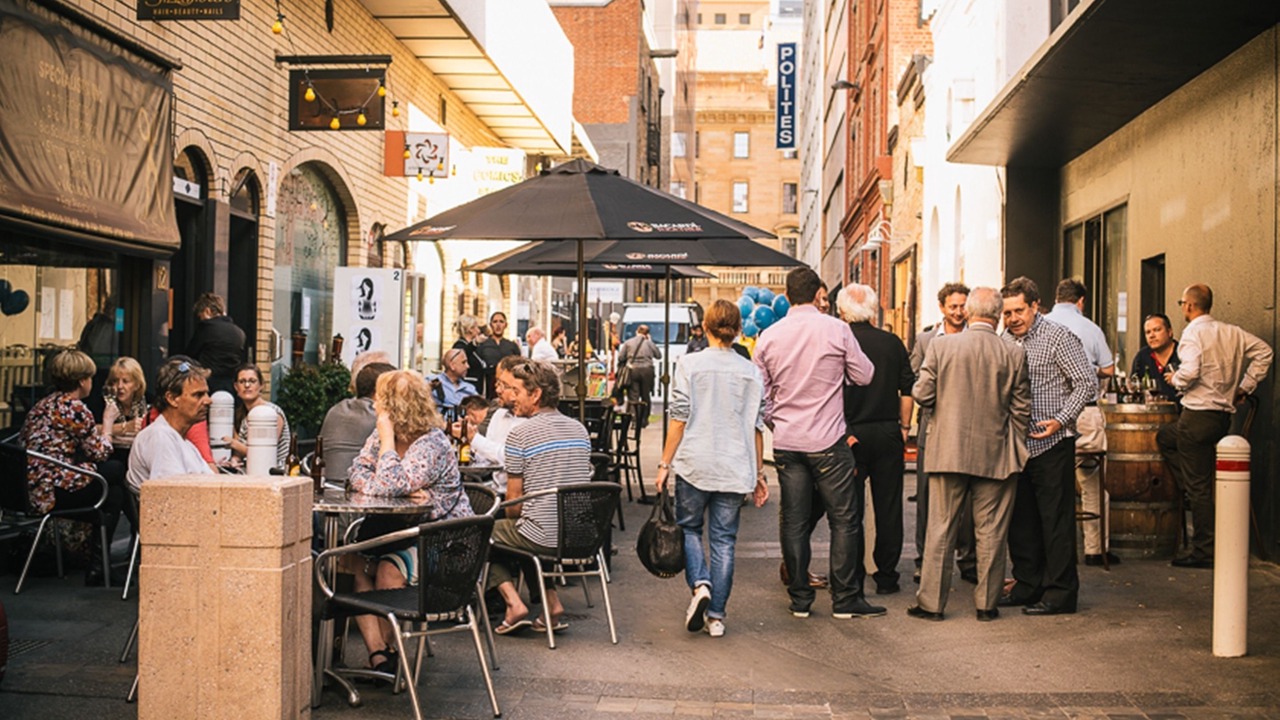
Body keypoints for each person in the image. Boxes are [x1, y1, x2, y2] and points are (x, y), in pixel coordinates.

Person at [753, 266, 879, 620]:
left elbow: (759, 393)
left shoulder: (769, 336)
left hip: (788, 442)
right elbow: (864, 374)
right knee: (844, 519)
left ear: (788, 294)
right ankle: (845, 599)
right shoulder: (836, 329)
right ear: (816, 295)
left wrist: (776, 419)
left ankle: (800, 599)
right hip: (828, 439)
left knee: (793, 521)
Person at [909, 288, 1031, 621]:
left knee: (940, 529)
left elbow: (921, 393)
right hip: (996, 453)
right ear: (997, 315)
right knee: (991, 532)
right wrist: (1015, 446)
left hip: (947, 450)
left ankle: (932, 604)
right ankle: (986, 605)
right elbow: (1021, 409)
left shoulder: (942, 345)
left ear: (971, 312)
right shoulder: (1013, 353)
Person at [347, 369, 474, 674]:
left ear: (394, 406)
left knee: (389, 568)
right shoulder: (379, 435)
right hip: (400, 530)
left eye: (380, 399)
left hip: (444, 541)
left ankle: (392, 652)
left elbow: (388, 484)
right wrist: (387, 480)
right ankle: (380, 654)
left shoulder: (432, 444)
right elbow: (356, 473)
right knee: (354, 562)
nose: (375, 405)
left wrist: (388, 443)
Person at [655, 300, 769, 638]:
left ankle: (700, 584)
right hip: (735, 467)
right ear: (737, 330)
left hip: (695, 462)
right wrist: (759, 473)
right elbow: (756, 426)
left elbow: (678, 418)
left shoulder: (689, 364)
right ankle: (716, 616)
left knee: (689, 528)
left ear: (705, 327)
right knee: (724, 540)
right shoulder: (751, 372)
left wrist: (664, 464)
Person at [999, 277, 1095, 616]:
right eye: (1007, 312)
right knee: (1021, 522)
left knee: (1055, 522)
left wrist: (1061, 419)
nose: (1013, 318)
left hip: (1052, 443)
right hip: (1016, 445)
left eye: (1019, 310)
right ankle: (1028, 585)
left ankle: (1061, 593)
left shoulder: (1058, 337)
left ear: (1035, 306)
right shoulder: (1003, 341)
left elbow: (1086, 383)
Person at [1157, 284, 1272, 569]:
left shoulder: (1193, 334)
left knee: (1198, 487)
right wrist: (1244, 386)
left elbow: (1191, 371)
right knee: (1166, 437)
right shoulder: (1231, 331)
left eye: (1182, 303)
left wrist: (1177, 380)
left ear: (1189, 306)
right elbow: (1264, 352)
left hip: (1196, 417)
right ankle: (1194, 493)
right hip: (1222, 420)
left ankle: (1204, 549)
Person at [486, 359, 593, 635]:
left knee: (485, 532)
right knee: (526, 529)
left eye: (517, 392)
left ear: (535, 395)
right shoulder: (579, 429)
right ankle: (550, 602)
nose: (513, 399)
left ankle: (512, 602)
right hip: (579, 535)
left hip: (542, 535)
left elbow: (514, 504)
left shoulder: (519, 434)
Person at [20, 350, 126, 586]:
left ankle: (100, 566)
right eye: (90, 378)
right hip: (51, 492)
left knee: (114, 490)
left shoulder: (42, 405)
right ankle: (100, 565)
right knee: (116, 472)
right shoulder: (75, 409)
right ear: (82, 381)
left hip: (28, 489)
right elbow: (100, 452)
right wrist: (108, 423)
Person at [838, 284, 914, 595]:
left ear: (843, 311)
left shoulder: (840, 342)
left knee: (850, 509)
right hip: (887, 431)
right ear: (872, 309)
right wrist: (905, 427)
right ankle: (887, 576)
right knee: (889, 507)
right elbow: (907, 388)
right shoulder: (892, 343)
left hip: (850, 433)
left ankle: (854, 576)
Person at [1044, 278, 1118, 567]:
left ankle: (1052, 551)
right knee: (1093, 483)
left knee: (1050, 483)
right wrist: (1088, 369)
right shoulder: (1090, 328)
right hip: (1084, 414)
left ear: (1055, 298)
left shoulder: (1042, 324)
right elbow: (1109, 369)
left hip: (1048, 416)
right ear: (1081, 302)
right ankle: (1095, 550)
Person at [908, 282, 976, 584]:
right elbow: (912, 382)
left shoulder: (977, 339)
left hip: (968, 431)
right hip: (932, 430)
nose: (959, 312)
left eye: (963, 306)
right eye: (954, 306)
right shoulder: (925, 341)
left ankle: (968, 560)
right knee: (926, 499)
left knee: (969, 504)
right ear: (942, 308)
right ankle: (925, 561)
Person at [126, 357, 215, 494]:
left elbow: (212, 483)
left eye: (206, 393)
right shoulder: (160, 437)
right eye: (198, 395)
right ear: (172, 399)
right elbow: (172, 498)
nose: (208, 400)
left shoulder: (184, 442)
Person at [454, 356, 528, 495]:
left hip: (516, 497)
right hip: (493, 490)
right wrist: (470, 455)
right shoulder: (499, 415)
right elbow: (488, 462)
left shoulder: (530, 421)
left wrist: (474, 438)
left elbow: (509, 458)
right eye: (497, 383)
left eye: (503, 385)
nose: (498, 390)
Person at [319, 361, 395, 484]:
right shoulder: (379, 417)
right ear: (380, 392)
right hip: (355, 490)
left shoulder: (337, 409)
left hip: (327, 484)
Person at [225, 364, 291, 468]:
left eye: (252, 381)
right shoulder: (246, 417)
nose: (247, 385)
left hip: (275, 474)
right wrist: (234, 461)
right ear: (236, 387)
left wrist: (234, 443)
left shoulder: (272, 413)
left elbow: (264, 454)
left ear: (261, 385)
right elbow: (240, 453)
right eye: (242, 381)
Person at [185, 292, 247, 396]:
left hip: (209, 383)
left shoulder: (206, 328)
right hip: (232, 385)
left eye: (201, 316)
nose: (201, 319)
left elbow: (191, 354)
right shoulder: (239, 332)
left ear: (207, 311)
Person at [102, 357, 150, 461]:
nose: (119, 386)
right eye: (115, 381)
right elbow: (93, 429)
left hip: (140, 457)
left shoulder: (149, 403)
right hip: (112, 457)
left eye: (126, 381)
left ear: (137, 385)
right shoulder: (105, 402)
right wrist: (124, 427)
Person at [616, 324, 662, 428]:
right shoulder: (649, 343)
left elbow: (620, 357)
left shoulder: (628, 343)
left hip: (633, 370)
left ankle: (634, 420)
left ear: (637, 331)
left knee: (633, 396)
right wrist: (650, 341)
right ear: (647, 334)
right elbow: (658, 356)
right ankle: (644, 420)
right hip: (647, 370)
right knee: (646, 396)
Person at [1131, 313, 1180, 402]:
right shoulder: (1142, 357)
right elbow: (1134, 385)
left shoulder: (1183, 353)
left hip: (1181, 411)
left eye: (1157, 330)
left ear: (1169, 332)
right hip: (1150, 412)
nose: (1152, 336)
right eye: (1148, 332)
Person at [476, 311, 521, 399]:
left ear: (505, 325)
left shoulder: (511, 346)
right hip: (489, 385)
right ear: (490, 324)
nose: (498, 325)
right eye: (495, 322)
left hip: (509, 385)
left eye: (501, 322)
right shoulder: (483, 345)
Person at [452, 313, 487, 395]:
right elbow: (463, 355)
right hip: (467, 387)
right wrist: (474, 344)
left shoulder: (475, 347)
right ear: (470, 329)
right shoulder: (459, 345)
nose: (478, 330)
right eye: (476, 327)